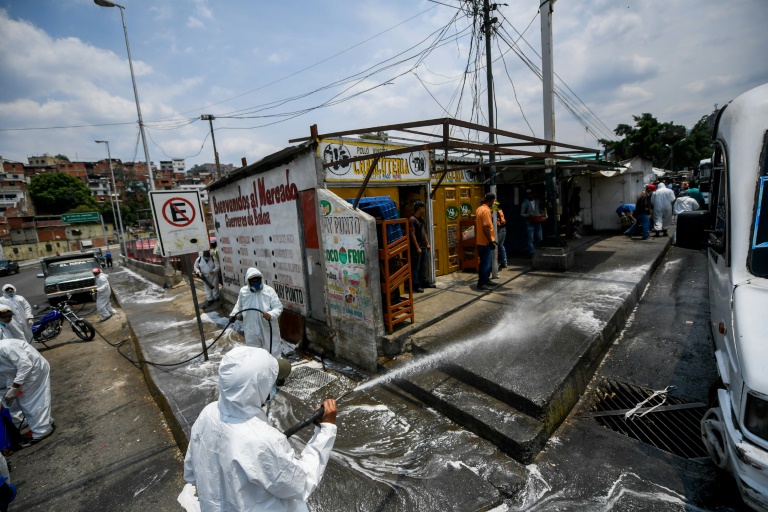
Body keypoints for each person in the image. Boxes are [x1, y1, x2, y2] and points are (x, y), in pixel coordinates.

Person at [183, 346, 336, 512]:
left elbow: (190, 472)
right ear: (257, 389)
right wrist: (326, 429)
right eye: (272, 382)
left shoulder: (207, 414)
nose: (274, 387)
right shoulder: (262, 440)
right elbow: (303, 483)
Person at [0, 337, 54, 446]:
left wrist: (15, 387)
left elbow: (25, 365)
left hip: (34, 370)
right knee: (27, 402)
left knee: (29, 402)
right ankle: (45, 421)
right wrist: (11, 388)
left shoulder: (5, 347)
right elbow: (9, 370)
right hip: (25, 372)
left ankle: (41, 431)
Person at [230, 268, 283, 358]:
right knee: (254, 353)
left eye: (257, 281)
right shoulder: (244, 292)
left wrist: (271, 314)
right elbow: (238, 306)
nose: (256, 283)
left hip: (267, 327)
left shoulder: (269, 290)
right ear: (248, 282)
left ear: (261, 279)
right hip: (251, 328)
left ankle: (274, 366)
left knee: (273, 350)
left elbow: (278, 307)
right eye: (253, 281)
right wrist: (233, 315)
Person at [408, 200, 433, 292]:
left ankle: (424, 282)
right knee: (415, 267)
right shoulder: (412, 220)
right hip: (416, 248)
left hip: (423, 246)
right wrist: (417, 247)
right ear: (419, 209)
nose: (424, 210)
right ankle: (416, 285)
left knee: (423, 265)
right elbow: (412, 235)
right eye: (423, 208)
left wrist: (427, 243)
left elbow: (424, 232)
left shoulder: (421, 219)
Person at [475, 192, 497, 291]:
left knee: (486, 262)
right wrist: (490, 241)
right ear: (491, 201)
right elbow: (486, 227)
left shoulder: (479, 209)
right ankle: (482, 283)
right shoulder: (486, 211)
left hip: (480, 240)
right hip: (485, 242)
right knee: (485, 263)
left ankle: (486, 279)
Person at [520, 189, 546, 256]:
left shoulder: (537, 201)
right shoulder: (525, 203)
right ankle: (532, 252)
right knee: (530, 239)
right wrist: (528, 215)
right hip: (530, 223)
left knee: (540, 238)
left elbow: (539, 209)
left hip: (537, 222)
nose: (530, 195)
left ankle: (539, 252)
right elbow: (522, 214)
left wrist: (542, 213)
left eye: (531, 194)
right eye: (529, 194)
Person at [494, 201, 508, 268]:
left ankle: (495, 263)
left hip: (498, 230)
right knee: (501, 246)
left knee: (496, 247)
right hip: (503, 229)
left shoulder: (494, 212)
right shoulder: (500, 210)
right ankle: (504, 262)